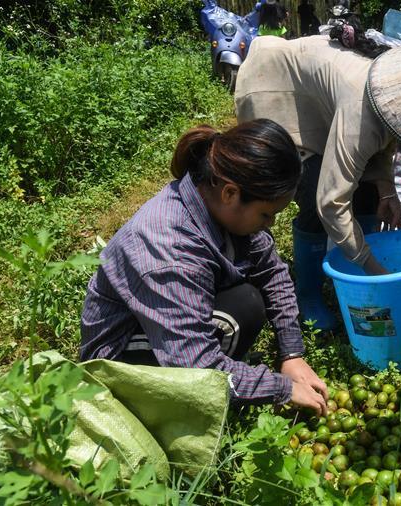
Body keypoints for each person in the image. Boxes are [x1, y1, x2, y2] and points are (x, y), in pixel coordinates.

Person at [235, 29, 401, 330]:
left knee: (367, 190)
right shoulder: (360, 110)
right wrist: (373, 268)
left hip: (319, 93)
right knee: (313, 181)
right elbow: (330, 202)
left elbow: (384, 142)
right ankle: (308, 293)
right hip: (275, 85)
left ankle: (354, 263)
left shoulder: (393, 101)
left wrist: (386, 190)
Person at [80, 119, 328, 415]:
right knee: (242, 310)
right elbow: (196, 364)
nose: (270, 224)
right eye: (266, 214)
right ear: (230, 194)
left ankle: (228, 382)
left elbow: (272, 272)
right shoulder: (168, 250)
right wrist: (280, 388)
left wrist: (292, 353)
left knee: (247, 300)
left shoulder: (220, 207)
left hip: (162, 324)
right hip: (119, 363)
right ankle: (158, 410)